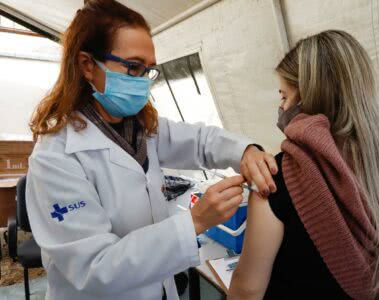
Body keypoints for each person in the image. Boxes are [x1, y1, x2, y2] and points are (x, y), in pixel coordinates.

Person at [25, 1, 278, 300]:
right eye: (133, 67)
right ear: (87, 65)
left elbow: (199, 140)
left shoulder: (141, 127)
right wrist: (195, 222)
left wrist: (245, 151)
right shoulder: (56, 157)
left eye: (149, 70)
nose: (143, 81)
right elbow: (95, 268)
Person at [228, 30, 379, 299]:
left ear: (308, 98)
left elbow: (247, 289)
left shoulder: (276, 178)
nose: (281, 107)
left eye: (284, 96)